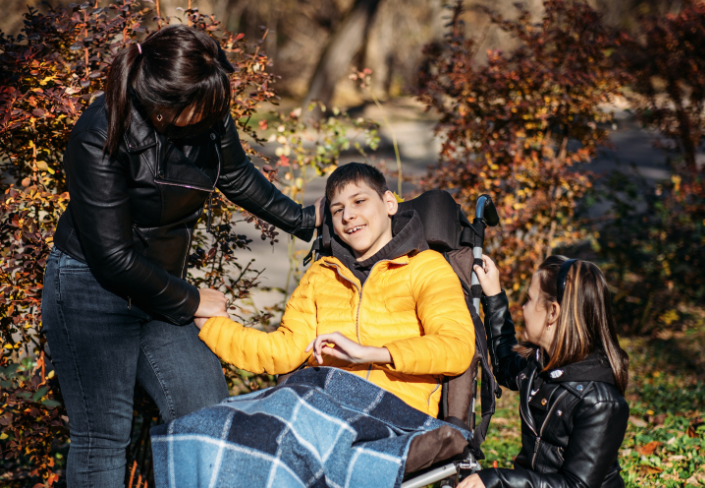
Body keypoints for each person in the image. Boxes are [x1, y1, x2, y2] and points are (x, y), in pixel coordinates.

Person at [41, 25, 323, 488]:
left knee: (207, 413)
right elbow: (112, 256)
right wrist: (192, 300)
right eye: (204, 108)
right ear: (163, 104)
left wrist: (307, 223)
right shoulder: (99, 133)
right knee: (104, 436)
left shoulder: (207, 110)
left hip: (160, 291)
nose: (216, 115)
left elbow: (236, 176)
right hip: (91, 288)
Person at [149, 163, 477, 487]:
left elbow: (456, 347)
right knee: (206, 427)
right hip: (319, 401)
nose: (348, 215)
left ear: (389, 203)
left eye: (360, 201)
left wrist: (372, 353)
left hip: (393, 412)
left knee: (277, 429)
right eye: (337, 209)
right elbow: (283, 352)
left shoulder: (427, 268)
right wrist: (214, 324)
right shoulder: (322, 276)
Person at [458, 255, 630, 488]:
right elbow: (505, 366)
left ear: (553, 312)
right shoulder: (541, 366)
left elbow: (576, 486)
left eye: (529, 299)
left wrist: (499, 479)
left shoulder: (601, 402)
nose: (524, 307)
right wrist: (494, 295)